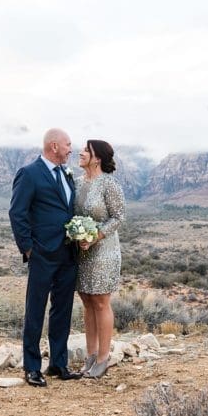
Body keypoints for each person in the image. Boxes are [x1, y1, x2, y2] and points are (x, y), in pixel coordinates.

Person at [8, 128, 81, 387]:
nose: (71, 149)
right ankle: (31, 367)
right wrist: (28, 248)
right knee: (35, 310)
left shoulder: (66, 174)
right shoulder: (29, 174)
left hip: (68, 253)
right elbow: (17, 212)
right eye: (68, 145)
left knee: (62, 310)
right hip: (42, 254)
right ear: (53, 146)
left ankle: (58, 364)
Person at [74, 139, 125, 379]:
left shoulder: (109, 184)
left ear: (97, 158)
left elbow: (118, 217)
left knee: (101, 300)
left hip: (104, 249)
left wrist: (96, 236)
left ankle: (104, 358)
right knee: (86, 300)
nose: (81, 153)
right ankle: (91, 355)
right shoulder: (77, 183)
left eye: (86, 150)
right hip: (82, 251)